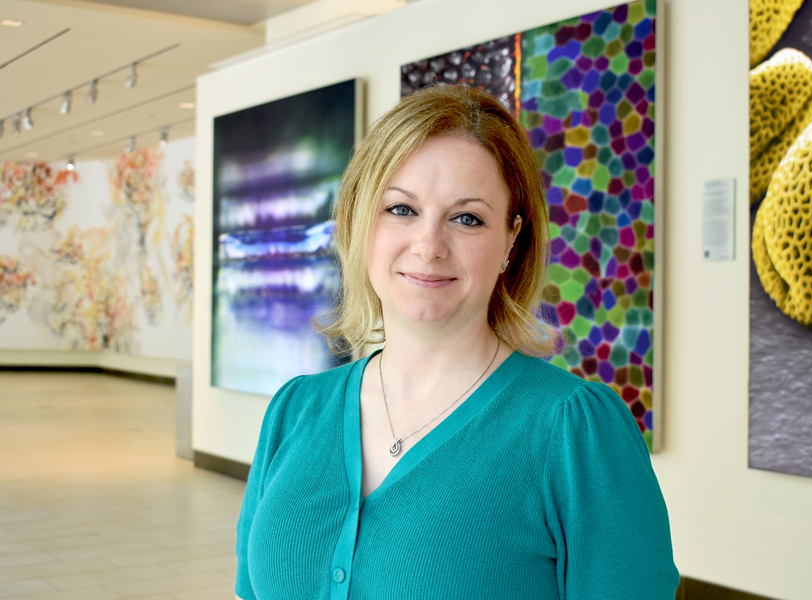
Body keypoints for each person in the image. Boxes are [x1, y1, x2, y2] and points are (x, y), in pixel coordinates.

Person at [235, 84, 678, 600]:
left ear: (511, 239)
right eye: (401, 209)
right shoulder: (295, 411)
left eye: (467, 218)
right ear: (359, 219)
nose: (429, 245)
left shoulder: (573, 430)